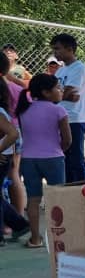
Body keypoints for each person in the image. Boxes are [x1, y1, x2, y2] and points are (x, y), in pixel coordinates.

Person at [16, 74, 71, 248]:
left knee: (33, 199)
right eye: (57, 88)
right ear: (46, 92)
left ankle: (35, 239)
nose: (60, 91)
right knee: (58, 198)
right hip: (53, 158)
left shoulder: (23, 110)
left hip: (28, 159)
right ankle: (60, 239)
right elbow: (67, 140)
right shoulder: (59, 110)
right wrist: (58, 150)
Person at [51, 33, 85, 182]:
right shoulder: (60, 70)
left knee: (75, 157)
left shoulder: (79, 68)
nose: (55, 52)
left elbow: (69, 93)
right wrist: (61, 95)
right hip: (61, 116)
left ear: (69, 49)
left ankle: (81, 187)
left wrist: (57, 95)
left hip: (75, 117)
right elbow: (57, 93)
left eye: (58, 49)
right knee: (64, 156)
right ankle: (68, 187)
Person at [0, 54, 26, 216]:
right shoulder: (16, 87)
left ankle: (14, 219)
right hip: (14, 131)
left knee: (10, 176)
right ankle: (18, 216)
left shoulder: (8, 87)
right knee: (13, 174)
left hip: (7, 135)